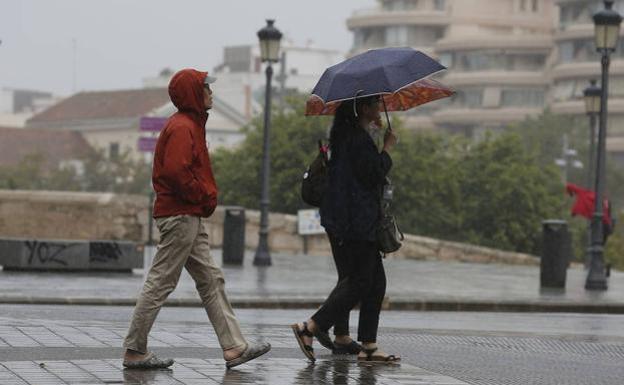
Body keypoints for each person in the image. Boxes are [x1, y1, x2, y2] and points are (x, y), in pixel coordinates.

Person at [122, 68, 270, 370]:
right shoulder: (182, 127)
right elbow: (177, 173)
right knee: (161, 281)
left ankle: (233, 347)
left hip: (188, 214)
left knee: (210, 279)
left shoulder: (189, 125)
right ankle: (135, 350)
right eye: (206, 88)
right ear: (193, 93)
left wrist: (201, 200)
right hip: (180, 215)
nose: (211, 93)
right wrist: (203, 195)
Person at [291, 95, 400, 363]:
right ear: (364, 108)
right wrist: (386, 148)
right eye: (375, 104)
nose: (378, 109)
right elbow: (373, 174)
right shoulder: (357, 139)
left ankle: (368, 346)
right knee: (362, 281)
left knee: (372, 282)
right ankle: (311, 327)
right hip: (355, 222)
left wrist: (374, 138)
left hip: (348, 219)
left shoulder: (347, 135)